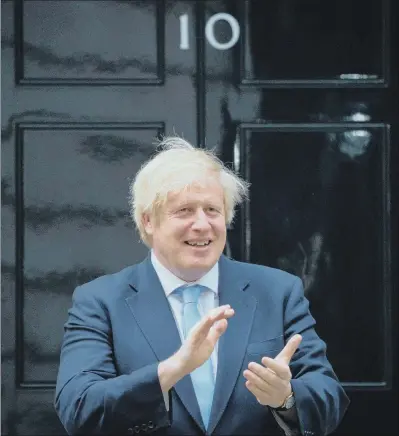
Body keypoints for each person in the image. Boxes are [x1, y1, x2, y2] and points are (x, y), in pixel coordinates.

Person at [54, 136, 350, 435]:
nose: (202, 224)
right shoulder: (100, 301)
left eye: (212, 210)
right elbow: (79, 408)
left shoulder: (277, 291)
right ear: (148, 221)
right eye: (184, 211)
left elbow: (329, 398)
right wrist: (172, 370)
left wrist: (285, 398)